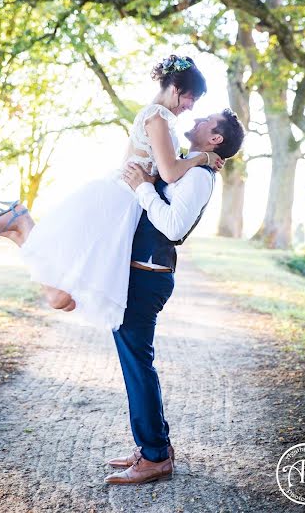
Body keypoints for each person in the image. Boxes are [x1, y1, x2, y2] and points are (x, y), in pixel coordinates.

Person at [0, 55, 224, 331]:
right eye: (192, 98)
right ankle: (20, 222)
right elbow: (169, 172)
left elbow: (167, 172)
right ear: (176, 89)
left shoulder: (159, 117)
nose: (191, 107)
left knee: (64, 299)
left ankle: (19, 227)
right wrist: (203, 159)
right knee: (61, 297)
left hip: (125, 207)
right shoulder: (157, 117)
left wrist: (199, 161)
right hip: (114, 204)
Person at [103, 108, 245, 485]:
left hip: (147, 278)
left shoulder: (199, 178)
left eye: (205, 121)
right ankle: (154, 446)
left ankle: (154, 457)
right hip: (140, 274)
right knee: (137, 365)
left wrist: (143, 189)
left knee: (138, 367)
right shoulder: (189, 166)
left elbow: (173, 227)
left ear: (215, 138)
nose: (195, 121)